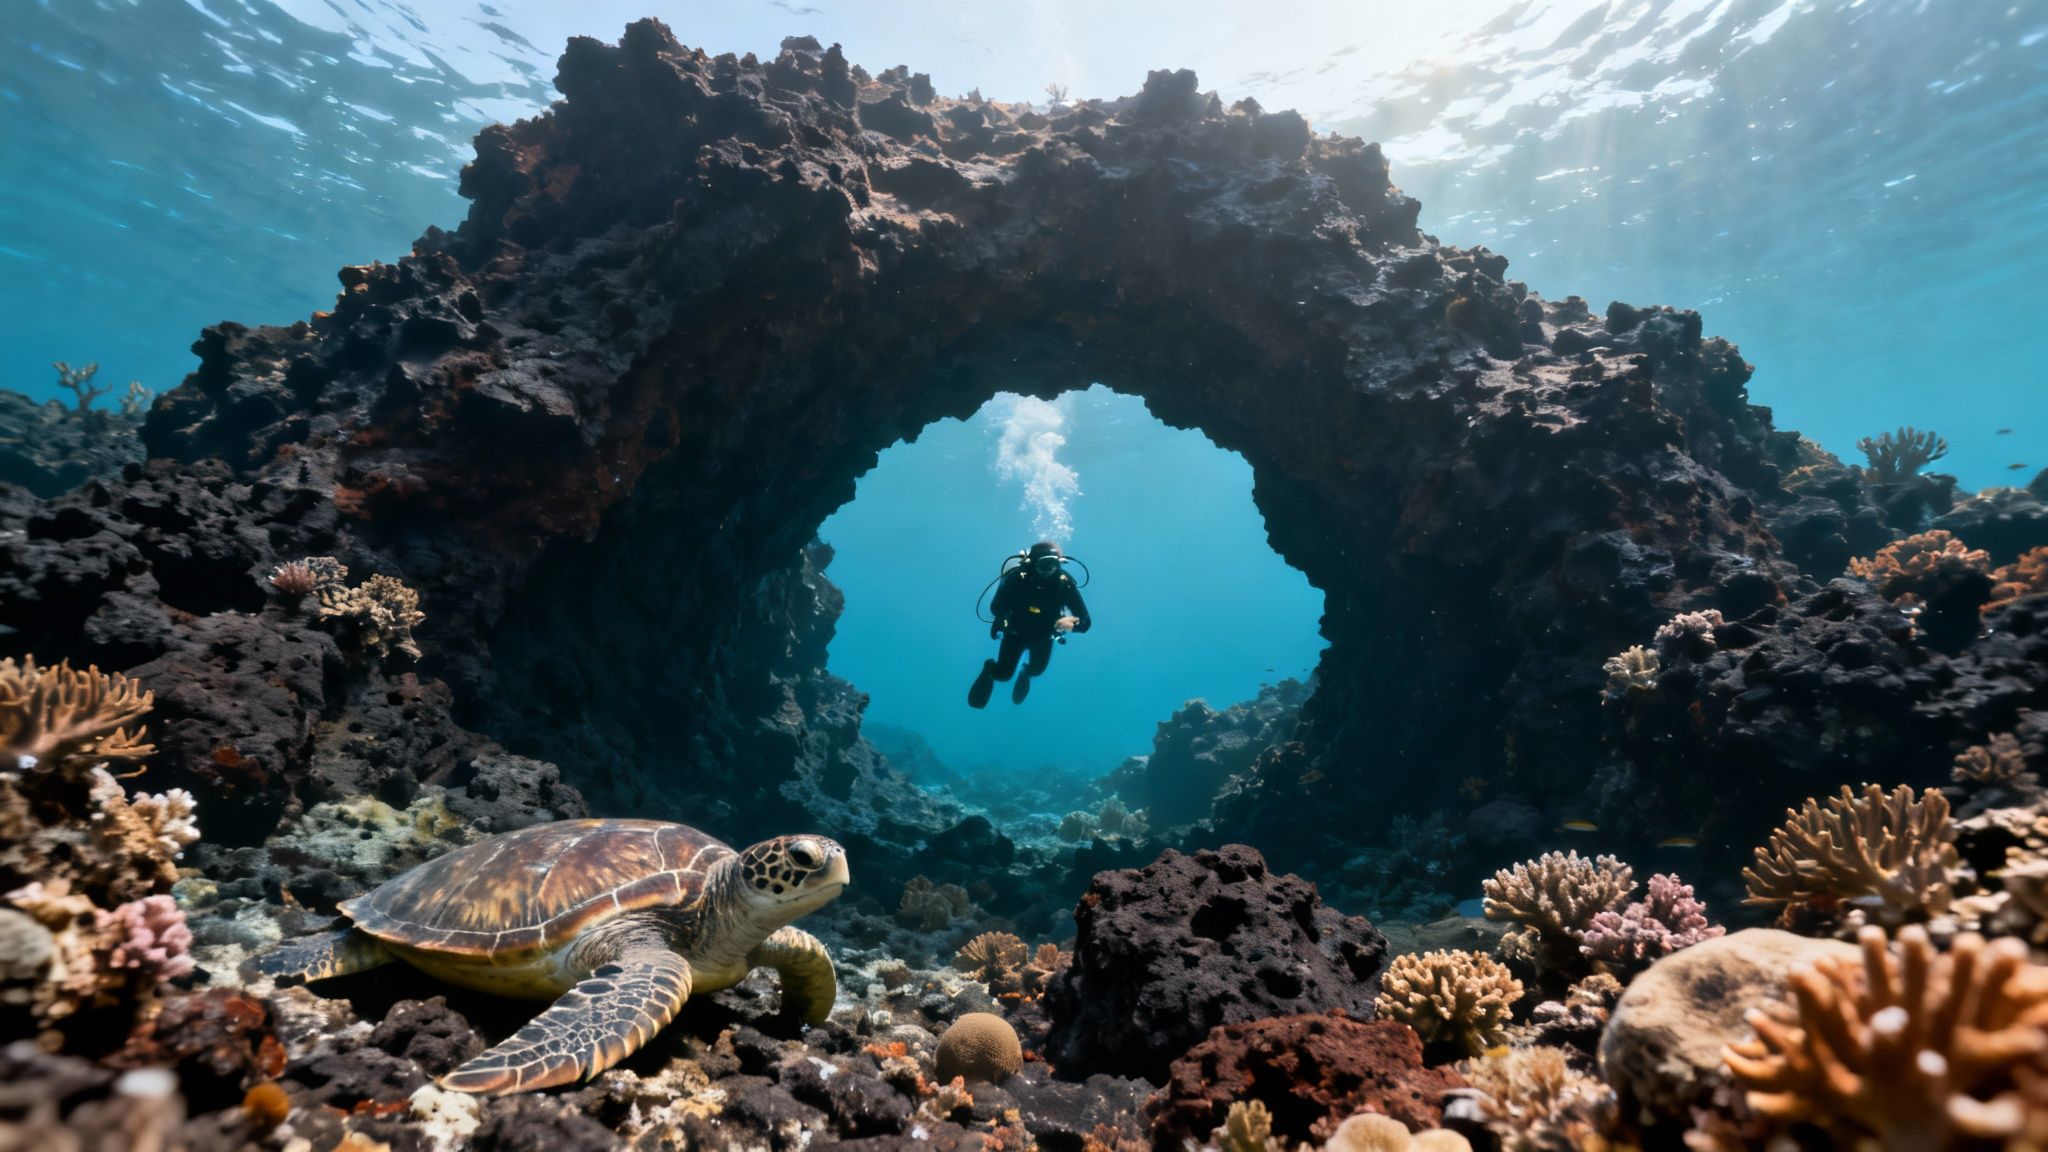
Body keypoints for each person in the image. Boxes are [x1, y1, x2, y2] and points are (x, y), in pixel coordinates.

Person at [969, 541, 1091, 708]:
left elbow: (1086, 622)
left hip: (1044, 636)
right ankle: (989, 670)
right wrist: (1002, 616)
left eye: (1053, 564)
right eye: (1044, 564)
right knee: (1003, 674)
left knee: (1036, 670)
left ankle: (1025, 674)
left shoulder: (1064, 583)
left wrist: (1072, 625)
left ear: (1059, 564)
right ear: (1032, 563)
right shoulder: (1018, 578)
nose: (1049, 569)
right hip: (1015, 633)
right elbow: (996, 608)